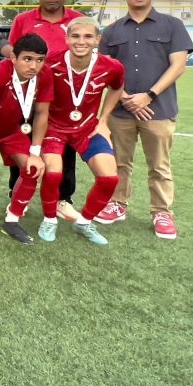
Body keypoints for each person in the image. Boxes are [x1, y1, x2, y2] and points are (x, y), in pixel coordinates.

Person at [96, 0, 193, 239]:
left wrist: (148, 95)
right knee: (119, 162)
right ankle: (117, 203)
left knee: (159, 165)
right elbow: (104, 70)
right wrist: (126, 96)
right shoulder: (113, 30)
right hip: (120, 109)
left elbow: (178, 65)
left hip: (158, 109)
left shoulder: (172, 25)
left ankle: (161, 211)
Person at [38, 17, 124, 246]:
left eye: (88, 36)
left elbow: (117, 88)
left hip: (87, 128)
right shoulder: (51, 63)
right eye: (75, 36)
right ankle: (49, 219)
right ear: (66, 38)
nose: (81, 41)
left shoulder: (111, 66)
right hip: (54, 128)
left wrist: (103, 120)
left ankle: (84, 222)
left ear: (97, 40)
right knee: (53, 173)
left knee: (109, 177)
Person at [7, 0, 84, 223]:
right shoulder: (23, 19)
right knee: (23, 139)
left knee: (65, 144)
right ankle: (18, 192)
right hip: (29, 89)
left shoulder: (78, 20)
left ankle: (63, 198)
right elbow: (14, 53)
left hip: (67, 92)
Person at [0, 34, 53, 245]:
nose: (34, 65)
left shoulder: (45, 75)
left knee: (33, 169)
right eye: (28, 59)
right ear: (13, 57)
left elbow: (42, 113)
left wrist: (35, 152)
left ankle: (12, 219)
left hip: (13, 132)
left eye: (39, 60)